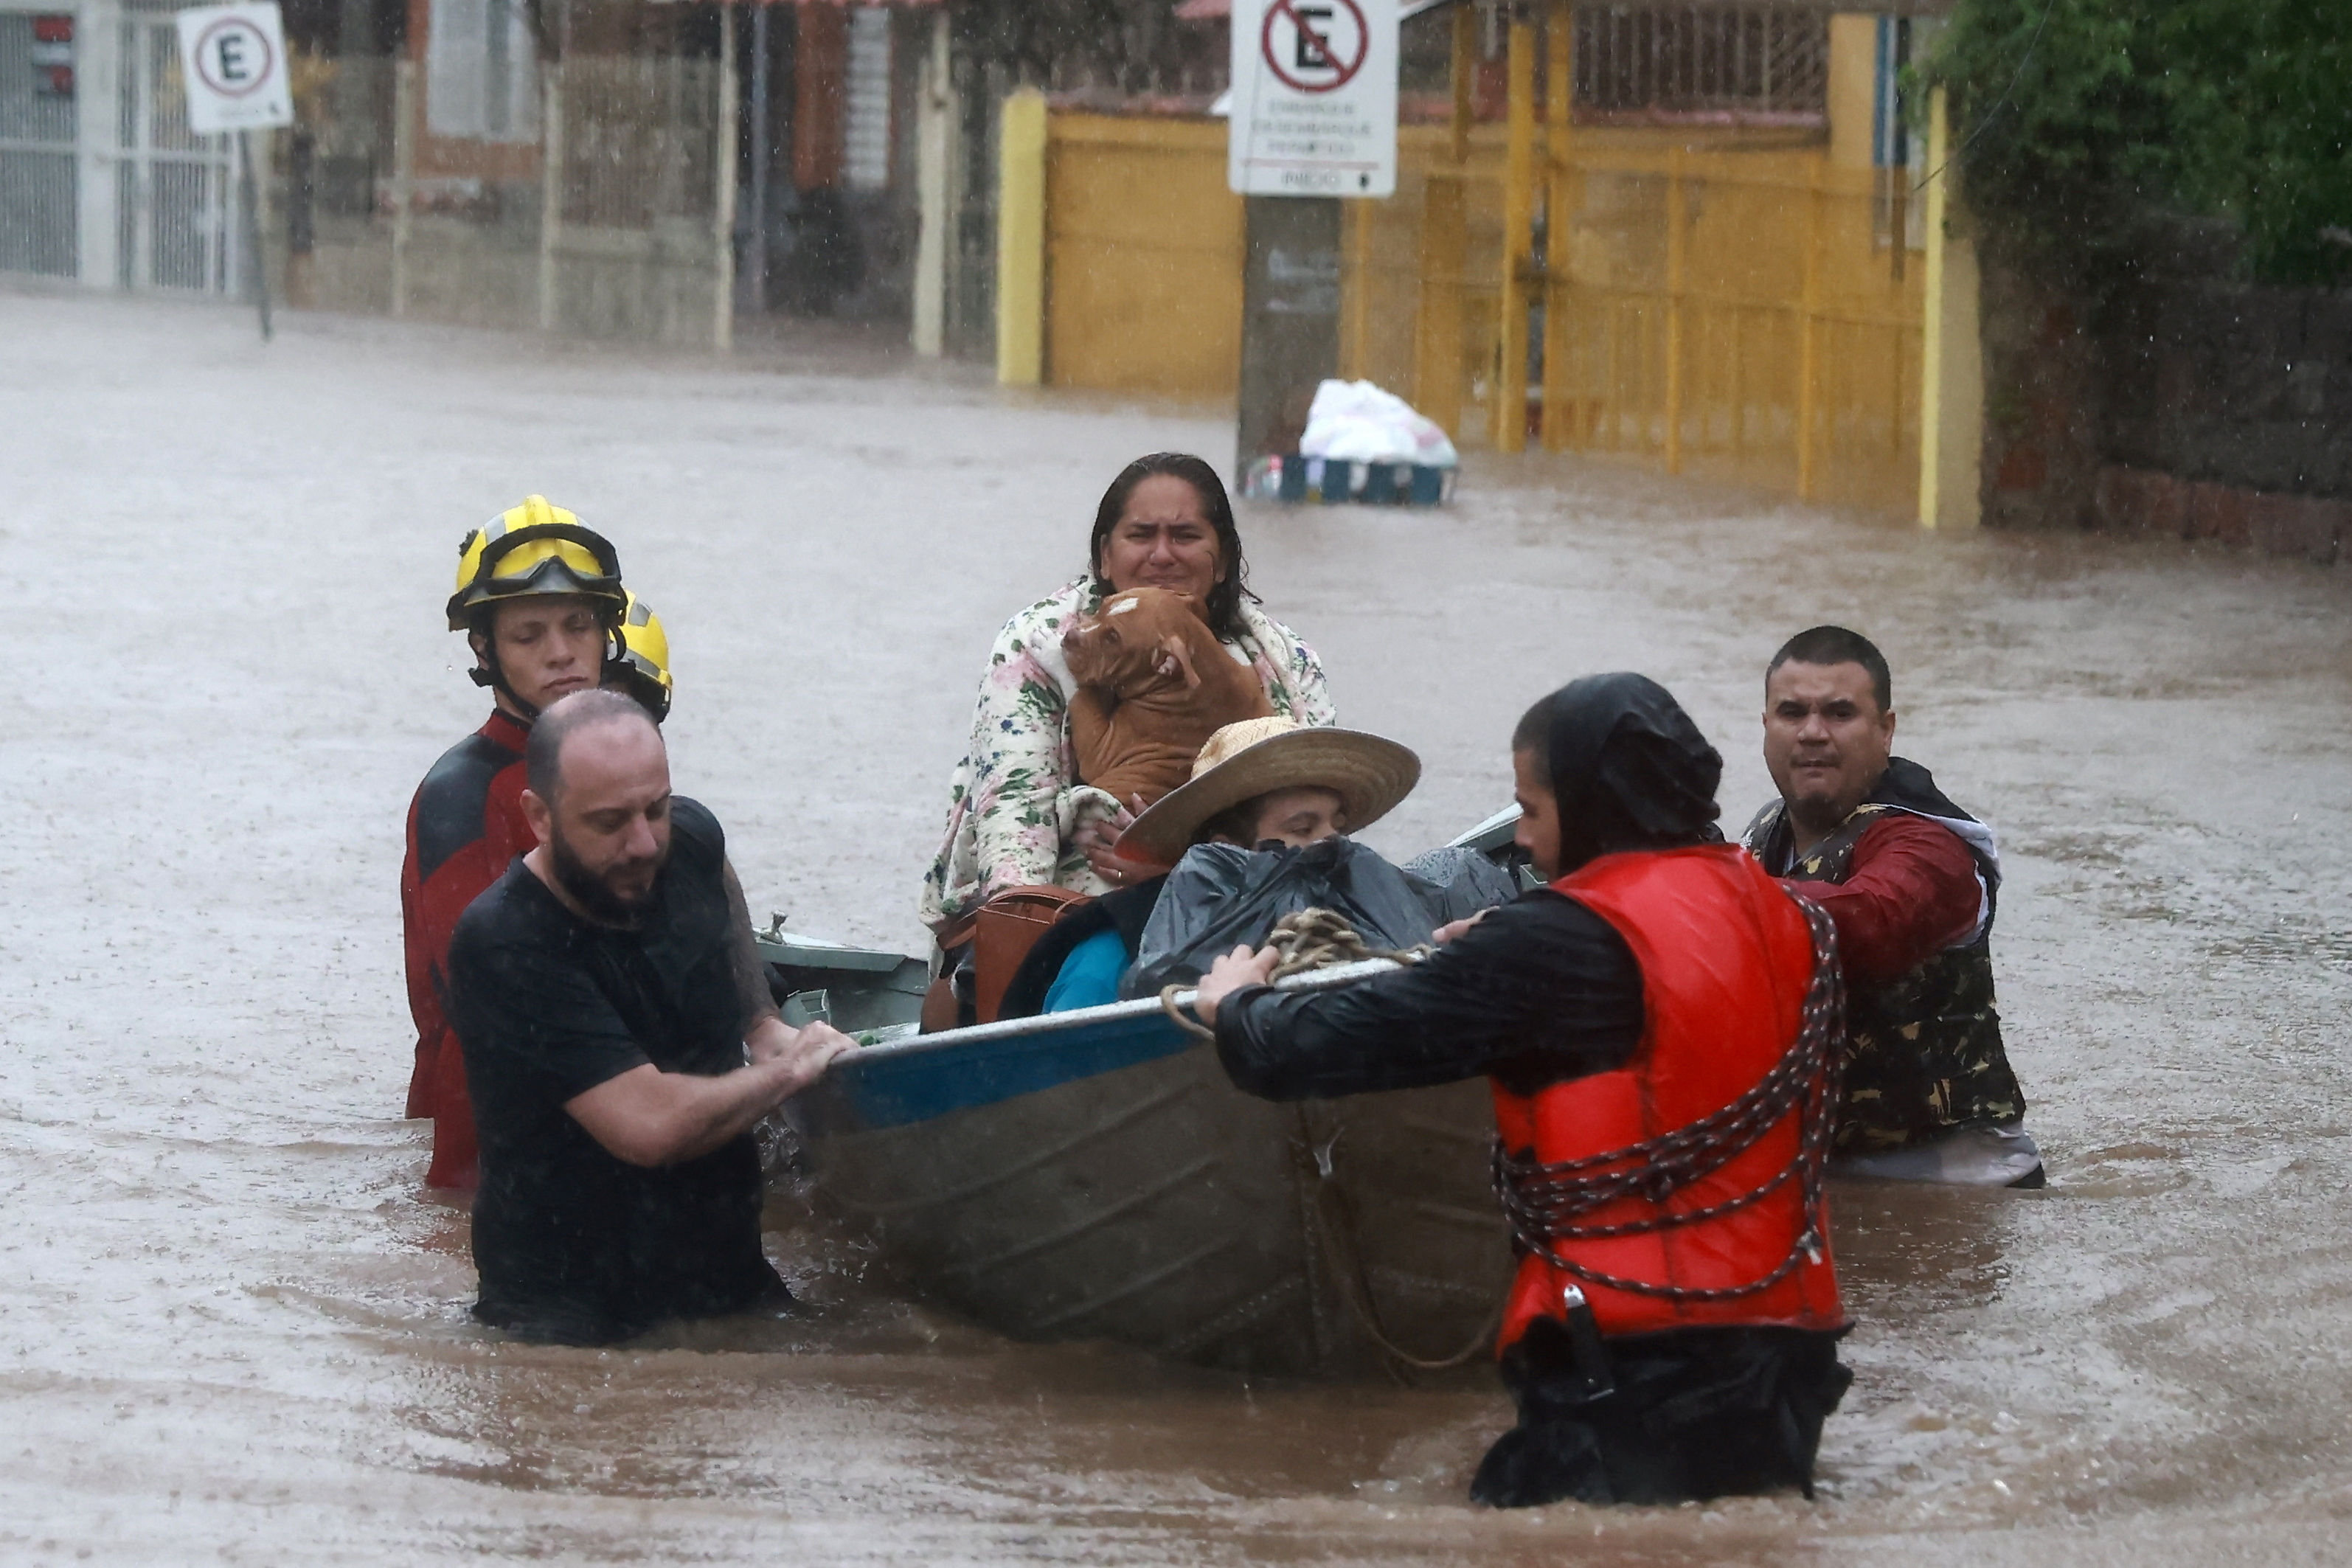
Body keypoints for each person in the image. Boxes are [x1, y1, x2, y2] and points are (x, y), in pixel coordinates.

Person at [1192, 674, 1851, 1508]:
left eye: (1533, 810)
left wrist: (1239, 1004)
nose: (1529, 844)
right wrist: (1510, 950)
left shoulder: (1550, 946)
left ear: (1589, 803)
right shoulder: (1794, 916)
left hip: (1635, 1363)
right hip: (1792, 1354)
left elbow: (1301, 1051)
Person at [445, 690, 858, 1345]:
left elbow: (712, 867)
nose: (643, 843)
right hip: (567, 1319)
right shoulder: (505, 943)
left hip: (728, 1283)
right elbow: (648, 1124)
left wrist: (759, 1021)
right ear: (541, 817)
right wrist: (788, 1073)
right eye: (608, 822)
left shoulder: (684, 839)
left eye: (654, 809)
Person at [918, 454, 1334, 944]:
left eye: (1185, 536)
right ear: (1104, 557)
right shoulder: (1041, 642)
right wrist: (1021, 929)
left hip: (1243, 887)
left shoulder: (1286, 658)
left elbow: (1315, 813)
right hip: (1079, 881)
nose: (1162, 555)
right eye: (1141, 535)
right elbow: (1015, 802)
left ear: (1221, 560)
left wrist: (1179, 871)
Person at [1742, 626, 2042, 1187]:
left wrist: (1700, 895)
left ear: (1885, 731)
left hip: (1955, 1184)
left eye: (1838, 713)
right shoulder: (1762, 836)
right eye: (1791, 712)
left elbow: (1871, 920)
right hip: (1817, 1170)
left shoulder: (1929, 848)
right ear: (1765, 727)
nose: (1811, 733)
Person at [402, 496, 630, 1191]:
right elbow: (485, 995)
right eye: (529, 635)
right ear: (484, 648)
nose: (562, 653)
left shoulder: (605, 770)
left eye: (578, 626)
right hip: (492, 1152)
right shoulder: (461, 795)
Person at [997, 716, 1420, 1016]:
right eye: (1303, 827)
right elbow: (1062, 1079)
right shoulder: (1116, 951)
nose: (1334, 846)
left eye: (1337, 826)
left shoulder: (1363, 927)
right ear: (1226, 850)